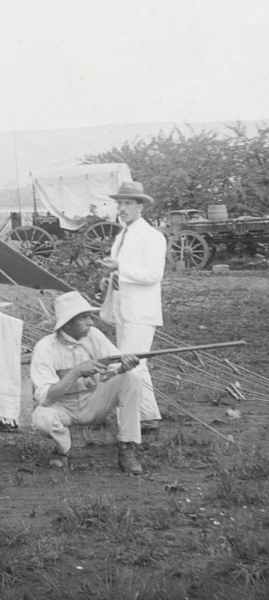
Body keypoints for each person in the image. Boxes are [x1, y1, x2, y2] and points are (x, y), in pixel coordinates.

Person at [31, 290, 145, 475]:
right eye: (84, 317)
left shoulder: (95, 336)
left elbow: (113, 369)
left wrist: (125, 367)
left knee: (132, 379)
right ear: (67, 324)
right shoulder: (45, 347)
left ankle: (127, 448)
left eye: (90, 316)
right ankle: (62, 449)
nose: (90, 322)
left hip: (94, 400)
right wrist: (77, 371)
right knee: (41, 418)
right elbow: (46, 398)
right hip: (62, 407)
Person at [98, 181, 166, 435]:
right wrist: (111, 279)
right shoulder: (121, 236)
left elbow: (152, 274)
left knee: (131, 364)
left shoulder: (152, 237)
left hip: (141, 311)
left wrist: (120, 269)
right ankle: (148, 416)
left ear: (140, 206)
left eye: (127, 203)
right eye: (119, 203)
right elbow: (122, 272)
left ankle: (133, 418)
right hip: (123, 308)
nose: (122, 208)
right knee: (136, 363)